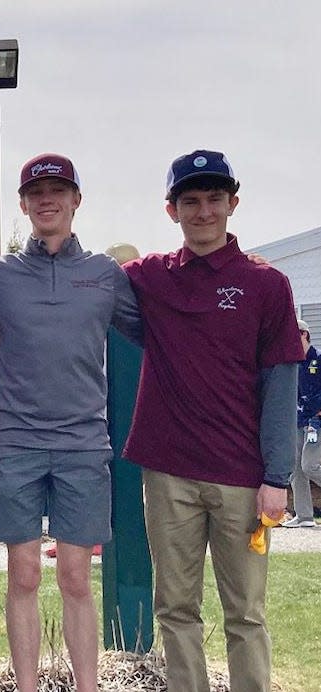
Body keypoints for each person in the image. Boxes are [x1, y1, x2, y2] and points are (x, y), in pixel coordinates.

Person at [122, 150, 302, 692]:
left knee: (245, 614)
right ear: (171, 209)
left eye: (214, 200)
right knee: (175, 609)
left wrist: (277, 478)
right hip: (168, 472)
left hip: (241, 477)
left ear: (233, 204)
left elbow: (281, 387)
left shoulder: (267, 285)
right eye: (190, 201)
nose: (203, 212)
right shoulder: (151, 276)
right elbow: (91, 278)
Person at [0, 154, 140, 692]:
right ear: (23, 203)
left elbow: (158, 331)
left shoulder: (103, 275)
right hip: (18, 440)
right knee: (22, 574)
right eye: (36, 192)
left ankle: (86, 686)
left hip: (84, 444)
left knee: (75, 578)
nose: (47, 200)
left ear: (75, 200)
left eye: (58, 190)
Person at [283, 318, 321, 527]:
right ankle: (304, 516)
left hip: (317, 421)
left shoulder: (319, 359)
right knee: (295, 468)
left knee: (310, 465)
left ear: (303, 334)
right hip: (298, 420)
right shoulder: (294, 364)